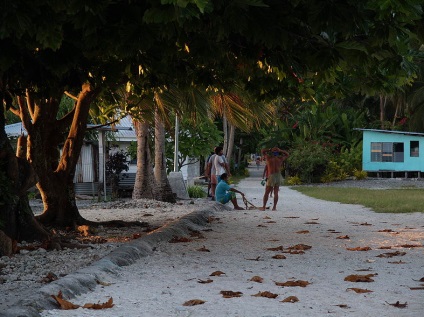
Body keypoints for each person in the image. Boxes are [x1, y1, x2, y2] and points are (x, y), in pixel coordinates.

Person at [258, 147, 289, 211]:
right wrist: (280, 150)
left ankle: (264, 207)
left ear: (272, 152)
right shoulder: (280, 159)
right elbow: (287, 154)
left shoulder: (269, 158)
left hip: (271, 176)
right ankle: (274, 207)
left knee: (267, 192)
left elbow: (262, 151)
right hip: (278, 176)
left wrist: (269, 149)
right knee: (276, 192)